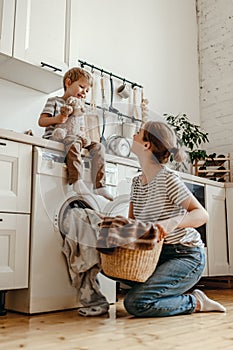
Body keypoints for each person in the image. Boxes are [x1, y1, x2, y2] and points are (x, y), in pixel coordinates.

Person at [122, 120, 226, 317]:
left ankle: (196, 302)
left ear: (146, 144)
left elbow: (201, 214)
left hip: (185, 255)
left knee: (136, 303)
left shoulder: (167, 178)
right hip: (156, 254)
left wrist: (170, 223)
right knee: (118, 276)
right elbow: (133, 225)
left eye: (138, 132)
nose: (133, 135)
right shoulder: (136, 183)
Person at [38, 67, 113, 201]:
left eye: (87, 91)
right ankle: (77, 181)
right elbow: (42, 121)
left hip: (75, 138)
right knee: (73, 140)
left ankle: (99, 186)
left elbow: (80, 127)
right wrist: (57, 119)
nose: (84, 92)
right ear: (68, 83)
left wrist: (84, 137)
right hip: (58, 137)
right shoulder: (54, 101)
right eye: (82, 87)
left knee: (99, 147)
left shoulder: (80, 107)